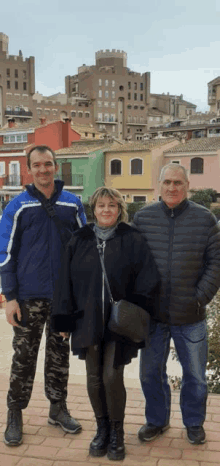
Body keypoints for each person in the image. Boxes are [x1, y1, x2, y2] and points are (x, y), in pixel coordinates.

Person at [51, 186, 160, 461]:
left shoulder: (132, 238)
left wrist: (136, 308)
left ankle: (117, 432)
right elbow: (64, 281)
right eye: (101, 205)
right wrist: (62, 319)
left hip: (119, 323)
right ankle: (102, 430)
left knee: (112, 377)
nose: (106, 210)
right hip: (86, 320)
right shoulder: (79, 239)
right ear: (94, 209)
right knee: (94, 378)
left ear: (119, 209)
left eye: (112, 205)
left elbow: (149, 279)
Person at [0, 145, 86, 446]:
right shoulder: (17, 207)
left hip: (63, 297)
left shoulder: (73, 204)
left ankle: (57, 407)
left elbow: (84, 249)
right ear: (29, 169)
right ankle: (15, 413)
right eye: (36, 165)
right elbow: (5, 254)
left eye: (48, 164)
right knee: (23, 357)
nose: (43, 170)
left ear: (55, 166)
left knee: (59, 355)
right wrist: (9, 297)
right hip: (27, 298)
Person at [133, 163, 220, 445]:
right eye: (167, 182)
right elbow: (131, 261)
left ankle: (194, 423)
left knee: (195, 376)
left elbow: (216, 263)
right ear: (158, 185)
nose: (172, 188)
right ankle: (157, 421)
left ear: (187, 186)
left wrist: (200, 296)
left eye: (178, 183)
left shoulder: (205, 219)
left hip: (190, 314)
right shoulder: (143, 217)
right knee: (149, 373)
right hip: (153, 316)